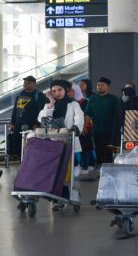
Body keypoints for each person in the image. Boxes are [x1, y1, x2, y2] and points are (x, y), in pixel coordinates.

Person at [38, 80, 84, 210]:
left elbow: (79, 117)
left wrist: (76, 127)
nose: (56, 93)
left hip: (70, 142)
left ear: (66, 91)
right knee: (57, 173)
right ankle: (59, 199)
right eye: (53, 91)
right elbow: (41, 119)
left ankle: (72, 194)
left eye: (59, 90)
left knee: (68, 173)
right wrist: (50, 104)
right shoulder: (49, 105)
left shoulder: (73, 104)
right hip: (53, 145)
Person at [10, 76, 48, 157]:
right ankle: (19, 159)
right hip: (18, 125)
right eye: (24, 82)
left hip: (31, 126)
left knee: (30, 144)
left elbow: (42, 111)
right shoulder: (20, 94)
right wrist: (12, 122)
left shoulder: (39, 95)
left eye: (28, 82)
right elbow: (15, 109)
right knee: (17, 143)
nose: (25, 84)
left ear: (34, 84)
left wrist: (37, 124)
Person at [85, 77, 120, 166]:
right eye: (98, 85)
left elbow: (118, 115)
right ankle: (100, 171)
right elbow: (88, 114)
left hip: (110, 131)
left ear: (108, 87)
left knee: (108, 152)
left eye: (102, 85)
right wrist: (84, 126)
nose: (100, 87)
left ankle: (107, 171)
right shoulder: (92, 99)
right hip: (97, 131)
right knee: (98, 151)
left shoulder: (114, 99)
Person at [69, 83, 95, 174]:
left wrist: (84, 127)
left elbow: (87, 115)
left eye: (72, 91)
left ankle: (85, 167)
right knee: (79, 147)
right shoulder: (70, 102)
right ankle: (85, 165)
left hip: (85, 128)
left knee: (85, 147)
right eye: (68, 91)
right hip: (74, 128)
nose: (70, 93)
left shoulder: (84, 102)